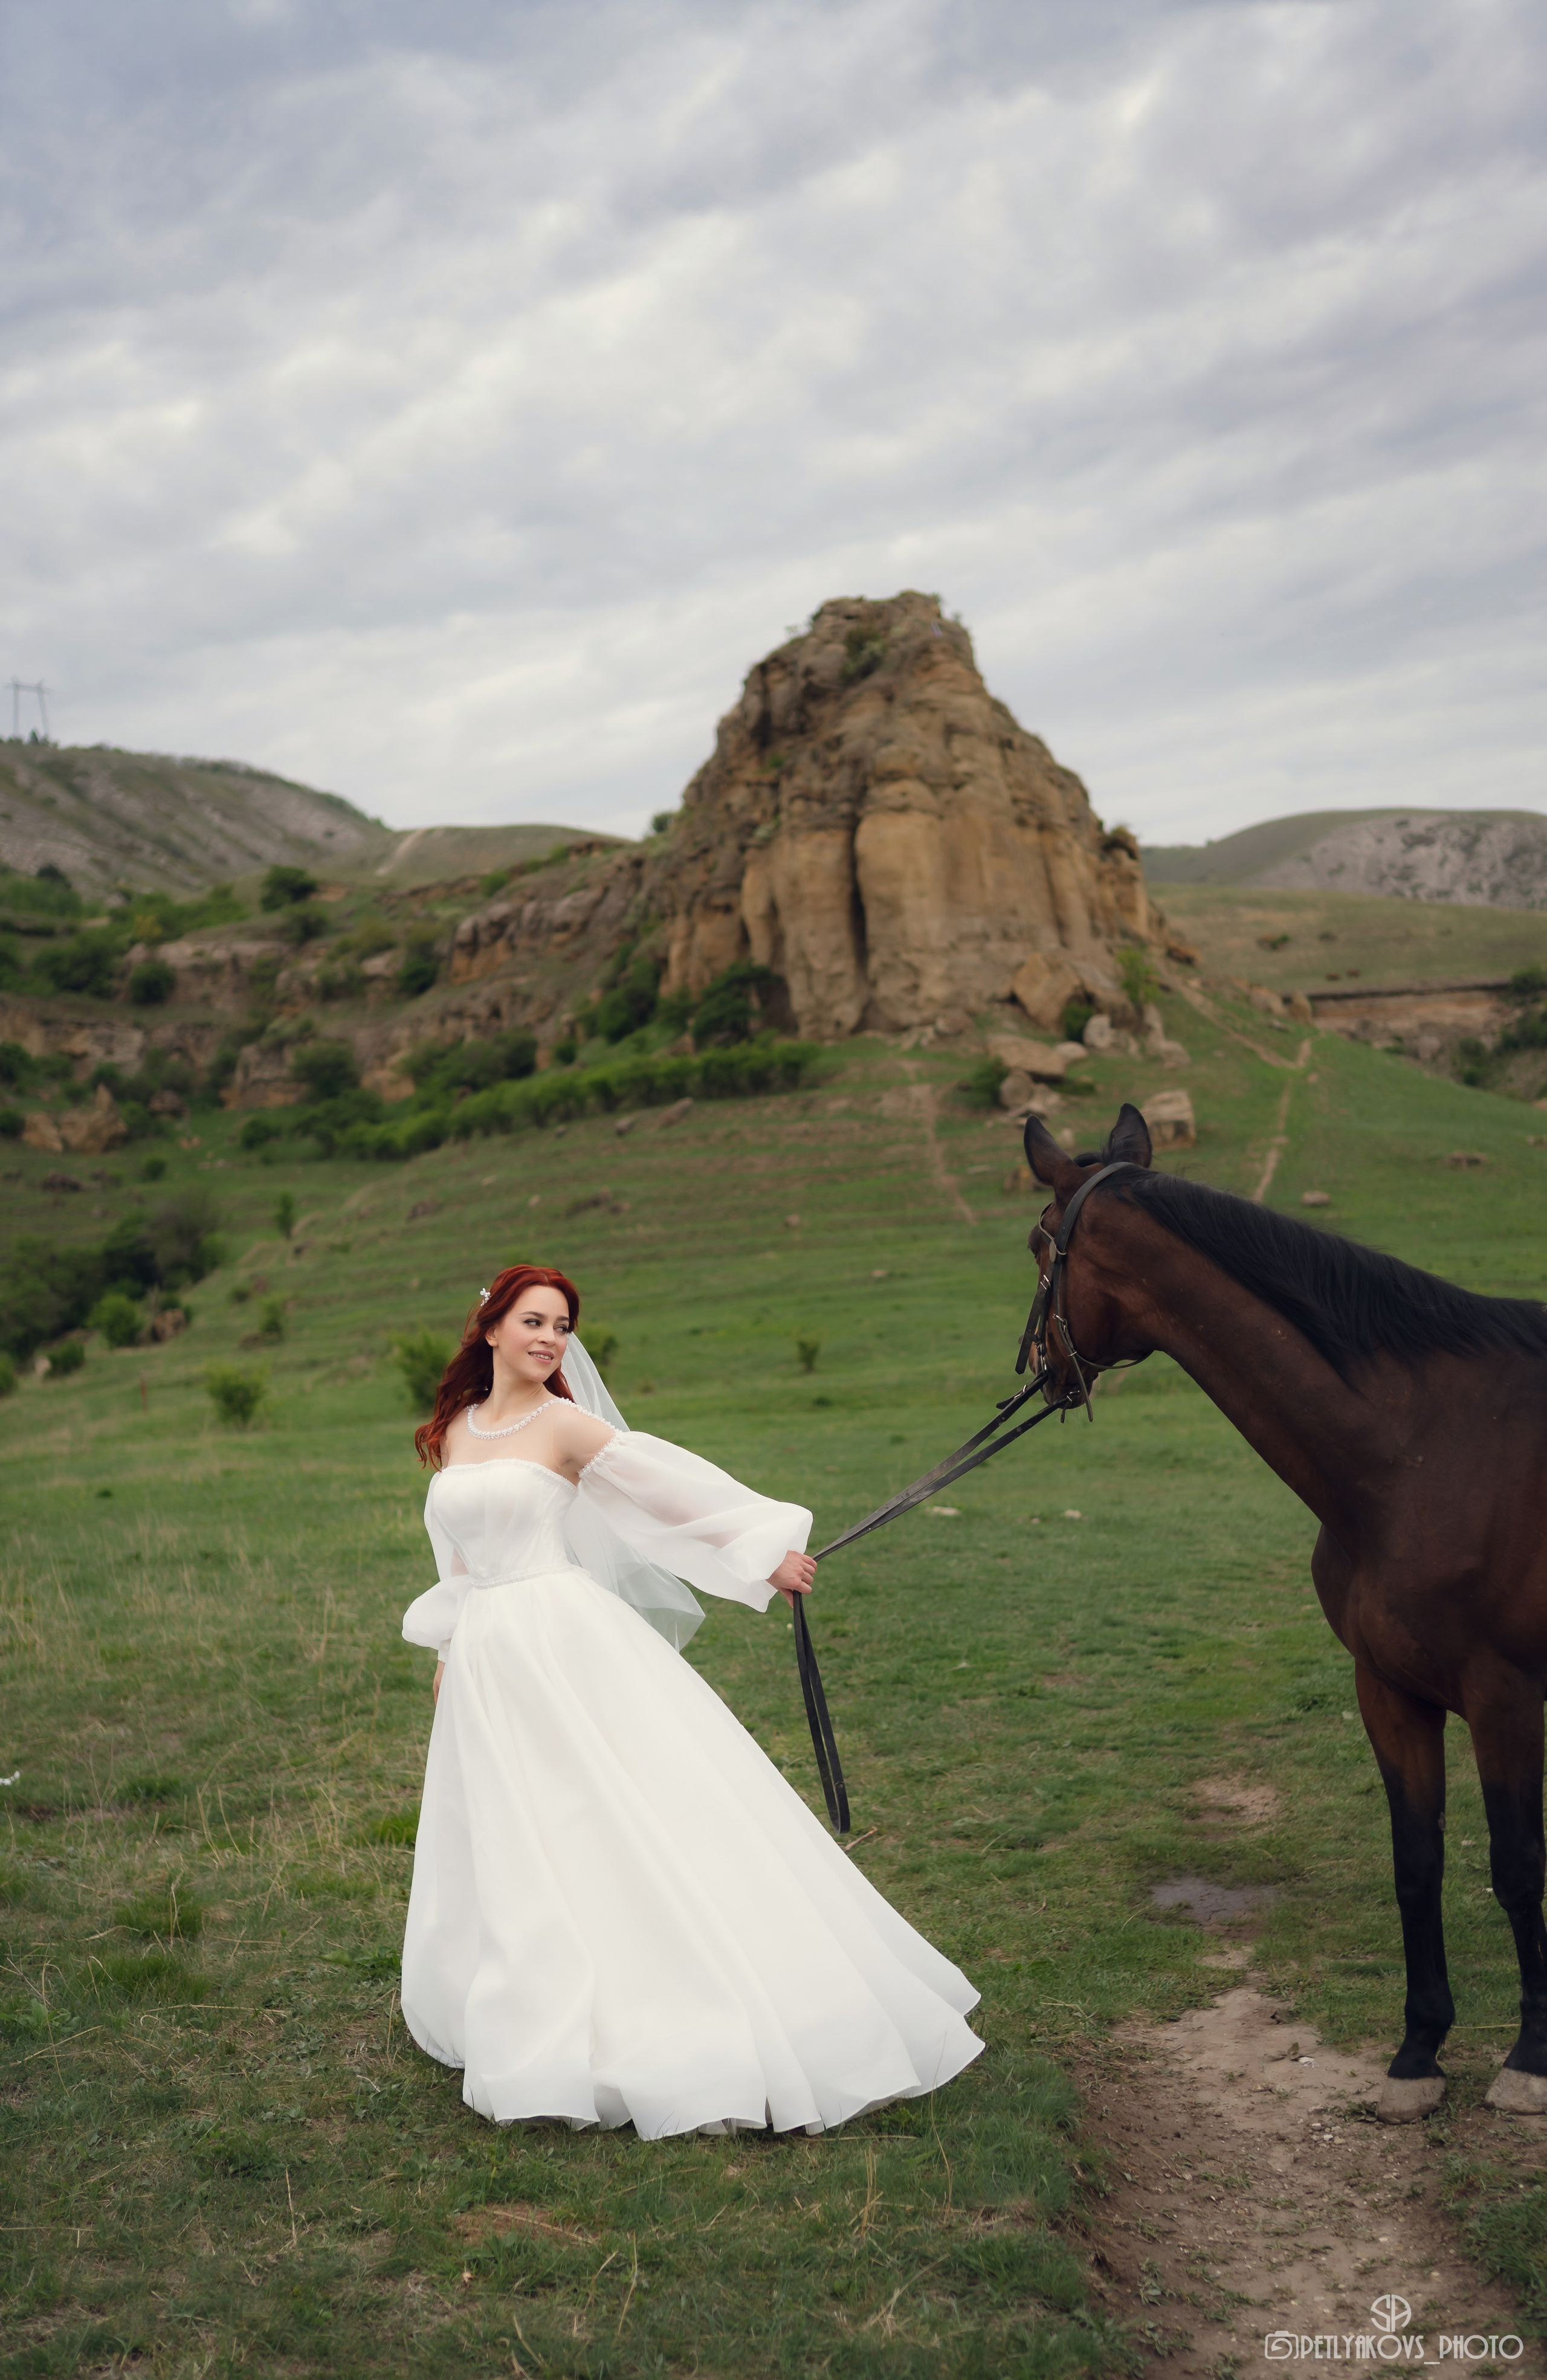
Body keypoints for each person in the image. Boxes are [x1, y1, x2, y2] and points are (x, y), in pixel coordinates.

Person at [400, 1262, 983, 2138]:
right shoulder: (454, 1430)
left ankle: (662, 1994)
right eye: (534, 1321)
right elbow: (455, 1555)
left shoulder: (564, 1425)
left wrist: (762, 1553)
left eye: (562, 1325)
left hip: (563, 1640)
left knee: (599, 1812)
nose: (550, 1338)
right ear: (489, 1329)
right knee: (511, 1823)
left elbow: (663, 1494)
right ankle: (524, 1994)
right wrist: (450, 1640)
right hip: (486, 1655)